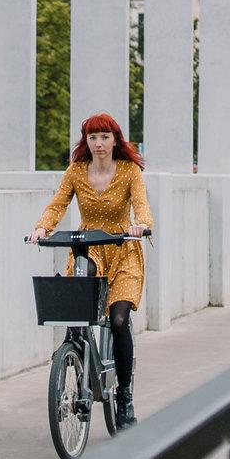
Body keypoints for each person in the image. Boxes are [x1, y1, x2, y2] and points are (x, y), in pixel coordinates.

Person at [28, 112, 153, 429]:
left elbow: (141, 203)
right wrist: (42, 228)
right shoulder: (76, 172)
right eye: (92, 137)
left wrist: (142, 225)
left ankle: (124, 397)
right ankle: (77, 366)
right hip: (89, 250)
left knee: (118, 319)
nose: (98, 144)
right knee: (76, 318)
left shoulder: (129, 171)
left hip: (122, 250)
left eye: (104, 137)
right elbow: (57, 205)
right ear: (86, 141)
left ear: (115, 140)